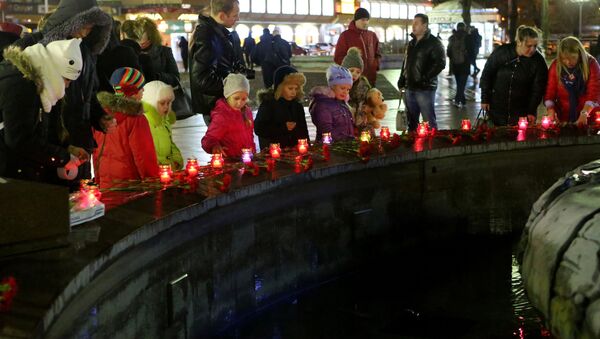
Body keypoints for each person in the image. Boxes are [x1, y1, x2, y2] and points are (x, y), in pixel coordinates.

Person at [13, 0, 113, 187]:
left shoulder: (86, 52)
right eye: (83, 26)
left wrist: (99, 116)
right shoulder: (35, 46)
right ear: (69, 21)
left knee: (80, 200)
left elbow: (88, 93)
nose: (85, 33)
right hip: (47, 146)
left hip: (79, 144)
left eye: (90, 28)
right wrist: (61, 149)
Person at [0, 39, 89, 183]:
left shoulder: (35, 83)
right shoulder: (20, 84)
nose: (66, 87)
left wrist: (66, 149)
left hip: (14, 170)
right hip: (8, 175)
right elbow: (19, 139)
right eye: (67, 80)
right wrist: (63, 158)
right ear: (55, 72)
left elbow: (39, 130)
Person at [93, 67, 158, 189]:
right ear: (131, 91)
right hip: (130, 185)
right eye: (140, 87)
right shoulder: (136, 119)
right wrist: (153, 183)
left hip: (105, 183)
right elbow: (144, 157)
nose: (143, 90)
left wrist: (98, 181)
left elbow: (96, 154)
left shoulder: (100, 116)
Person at [189, 0, 251, 124]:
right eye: (235, 15)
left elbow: (226, 64)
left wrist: (246, 73)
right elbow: (201, 79)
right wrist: (232, 86)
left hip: (221, 103)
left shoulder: (218, 33)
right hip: (215, 106)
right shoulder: (207, 36)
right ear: (222, 16)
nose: (238, 18)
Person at [480, 25, 548, 126]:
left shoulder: (538, 62)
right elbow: (487, 74)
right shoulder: (502, 52)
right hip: (497, 108)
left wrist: (531, 110)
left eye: (535, 46)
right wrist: (485, 98)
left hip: (522, 112)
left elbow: (538, 89)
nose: (532, 49)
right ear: (519, 42)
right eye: (529, 46)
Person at [397, 13, 446, 132]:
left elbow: (440, 63)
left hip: (425, 89)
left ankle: (432, 144)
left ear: (425, 25)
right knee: (412, 121)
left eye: (416, 23)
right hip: (410, 87)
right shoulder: (411, 43)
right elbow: (406, 62)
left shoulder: (434, 42)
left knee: (428, 120)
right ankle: (413, 144)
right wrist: (402, 78)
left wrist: (425, 78)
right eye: (413, 23)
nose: (413, 26)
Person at [544, 36, 600, 125]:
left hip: (588, 116)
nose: (568, 62)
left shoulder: (591, 64)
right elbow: (550, 91)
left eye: (572, 57)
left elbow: (594, 92)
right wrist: (551, 109)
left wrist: (585, 112)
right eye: (564, 59)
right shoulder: (556, 66)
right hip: (563, 117)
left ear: (580, 53)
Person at [254, 65, 309, 149]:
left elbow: (303, 130)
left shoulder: (297, 105)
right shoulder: (269, 104)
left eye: (296, 89)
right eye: (290, 88)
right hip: (274, 151)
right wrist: (283, 127)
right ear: (280, 87)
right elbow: (259, 129)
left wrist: (307, 146)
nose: (294, 92)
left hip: (295, 150)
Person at [201, 73, 255, 158]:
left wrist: (253, 153)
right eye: (236, 98)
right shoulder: (222, 116)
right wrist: (214, 146)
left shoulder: (247, 112)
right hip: (230, 162)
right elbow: (208, 139)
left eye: (244, 99)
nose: (240, 102)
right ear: (227, 95)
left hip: (247, 159)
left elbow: (250, 136)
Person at [142, 80, 184, 170]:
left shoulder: (164, 120)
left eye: (169, 103)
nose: (166, 107)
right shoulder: (144, 122)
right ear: (151, 103)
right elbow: (144, 152)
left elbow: (170, 144)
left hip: (167, 169)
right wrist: (160, 166)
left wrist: (177, 160)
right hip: (155, 172)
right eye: (162, 103)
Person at [334, 8, 380, 86]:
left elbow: (377, 54)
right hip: (353, 80)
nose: (365, 22)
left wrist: (375, 66)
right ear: (356, 20)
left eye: (367, 20)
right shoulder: (345, 35)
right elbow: (338, 57)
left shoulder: (372, 35)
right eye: (362, 20)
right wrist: (351, 70)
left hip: (370, 79)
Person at [309, 64, 355, 142]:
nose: (345, 92)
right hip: (330, 148)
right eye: (342, 88)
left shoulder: (342, 104)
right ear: (332, 86)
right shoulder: (323, 105)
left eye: (348, 89)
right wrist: (347, 139)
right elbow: (326, 131)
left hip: (344, 147)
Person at [96, 18, 142, 93]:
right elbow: (138, 80)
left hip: (101, 100)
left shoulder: (93, 55)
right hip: (125, 100)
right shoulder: (126, 52)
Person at [137, 17, 180, 87]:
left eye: (146, 41)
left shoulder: (165, 52)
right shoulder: (130, 52)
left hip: (159, 94)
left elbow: (176, 79)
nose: (141, 43)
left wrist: (157, 76)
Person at [447, 22, 470, 108]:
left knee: (459, 84)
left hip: (455, 65)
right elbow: (473, 50)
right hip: (465, 64)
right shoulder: (468, 37)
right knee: (462, 84)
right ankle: (458, 100)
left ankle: (462, 101)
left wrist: (453, 58)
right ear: (464, 28)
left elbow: (448, 51)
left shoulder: (452, 38)